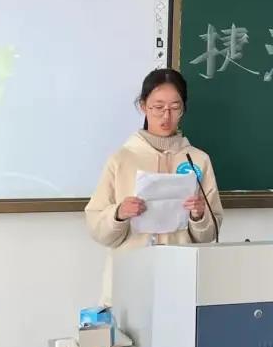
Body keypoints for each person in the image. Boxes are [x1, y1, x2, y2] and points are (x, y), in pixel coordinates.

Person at [85, 68, 223, 305]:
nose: (166, 116)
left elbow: (210, 235)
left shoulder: (198, 160)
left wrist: (199, 216)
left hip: (180, 282)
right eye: (158, 107)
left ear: (183, 109)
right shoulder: (122, 159)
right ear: (143, 106)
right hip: (129, 282)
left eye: (174, 107)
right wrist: (118, 214)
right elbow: (96, 227)